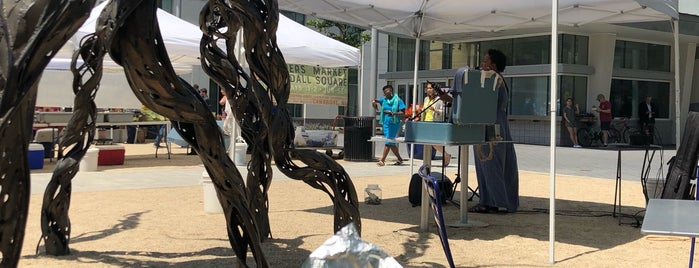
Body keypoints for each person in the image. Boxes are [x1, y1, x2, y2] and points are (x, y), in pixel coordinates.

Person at [469, 49, 519, 213]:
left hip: (491, 126)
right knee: (493, 164)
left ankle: (492, 202)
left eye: (485, 61)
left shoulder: (494, 79)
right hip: (495, 124)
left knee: (490, 164)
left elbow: (482, 103)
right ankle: (494, 200)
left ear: (493, 65)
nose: (482, 65)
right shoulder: (494, 80)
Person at [372, 84, 406, 166]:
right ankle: (400, 159)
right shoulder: (384, 100)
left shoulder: (398, 100)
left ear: (391, 91)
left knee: (388, 141)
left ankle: (382, 160)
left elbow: (403, 112)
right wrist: (374, 102)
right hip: (385, 123)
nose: (387, 94)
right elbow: (375, 100)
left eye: (388, 92)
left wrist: (394, 113)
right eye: (385, 93)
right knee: (391, 142)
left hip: (394, 123)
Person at [422, 81, 451, 165]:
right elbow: (425, 111)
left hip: (434, 123)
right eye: (427, 88)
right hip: (425, 123)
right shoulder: (426, 99)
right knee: (426, 143)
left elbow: (443, 112)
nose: (429, 90)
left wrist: (435, 110)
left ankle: (446, 155)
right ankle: (427, 161)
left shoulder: (439, 99)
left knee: (434, 143)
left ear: (434, 89)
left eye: (430, 88)